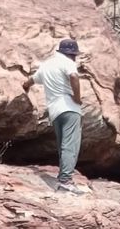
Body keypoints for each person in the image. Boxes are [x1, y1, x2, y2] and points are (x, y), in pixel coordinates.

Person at [23, 39, 83, 194]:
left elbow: (29, 82)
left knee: (63, 146)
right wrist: (77, 97)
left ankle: (63, 178)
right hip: (69, 108)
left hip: (55, 112)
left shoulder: (46, 66)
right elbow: (74, 77)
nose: (75, 57)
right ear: (70, 54)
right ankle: (65, 181)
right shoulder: (67, 62)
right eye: (74, 55)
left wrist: (25, 90)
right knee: (70, 146)